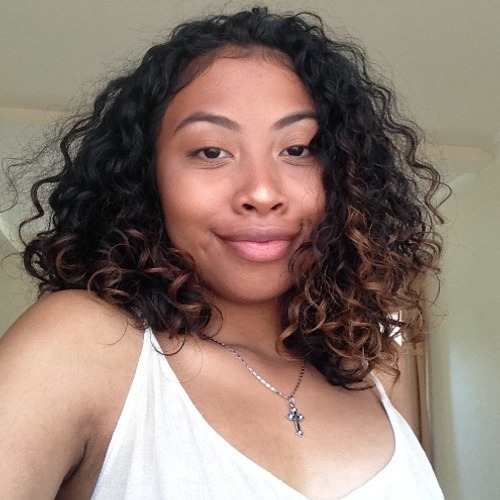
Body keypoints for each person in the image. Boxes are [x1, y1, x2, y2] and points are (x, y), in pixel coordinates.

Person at [0, 7, 446, 499]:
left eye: (298, 149)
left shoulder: (377, 370)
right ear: (147, 177)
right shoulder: (81, 345)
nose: (262, 192)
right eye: (211, 151)